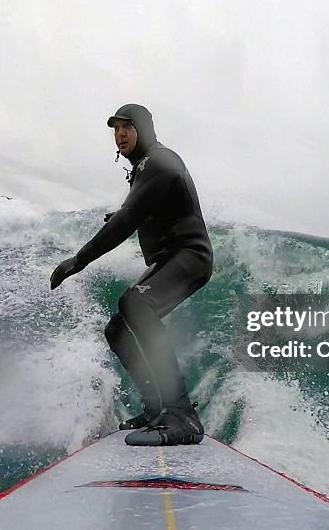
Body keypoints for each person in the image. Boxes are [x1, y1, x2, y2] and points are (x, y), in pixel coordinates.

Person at [50, 103, 213, 446]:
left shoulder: (158, 160)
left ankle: (181, 414)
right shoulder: (144, 168)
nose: (119, 134)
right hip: (168, 259)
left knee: (136, 304)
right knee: (118, 328)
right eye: (115, 129)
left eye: (127, 126)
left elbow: (129, 219)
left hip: (189, 256)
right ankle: (156, 408)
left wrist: (78, 260)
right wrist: (126, 213)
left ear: (144, 129)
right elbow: (142, 208)